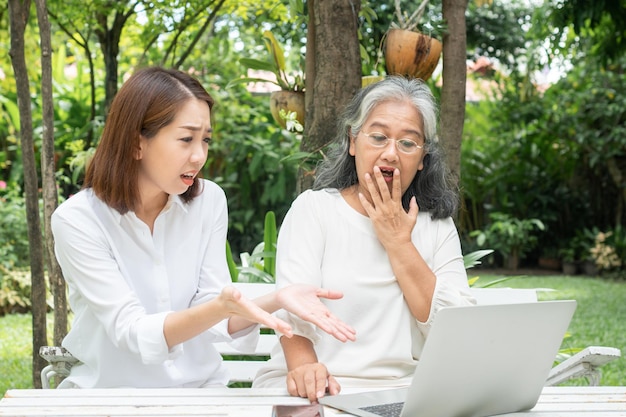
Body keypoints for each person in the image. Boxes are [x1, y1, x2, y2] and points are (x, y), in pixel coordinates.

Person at [50, 66, 355, 389]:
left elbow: (213, 310)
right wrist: (219, 307)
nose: (199, 156)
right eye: (186, 139)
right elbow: (132, 331)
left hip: (202, 395)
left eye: (205, 140)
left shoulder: (208, 201)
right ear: (136, 143)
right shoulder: (78, 220)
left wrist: (279, 297)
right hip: (110, 399)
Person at [253, 76, 475, 400]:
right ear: (353, 141)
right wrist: (305, 369)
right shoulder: (314, 211)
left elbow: (454, 330)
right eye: (378, 137)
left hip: (406, 394)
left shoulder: (436, 226)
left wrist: (399, 242)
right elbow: (294, 305)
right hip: (318, 388)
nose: (391, 154)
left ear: (423, 156)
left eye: (408, 143)